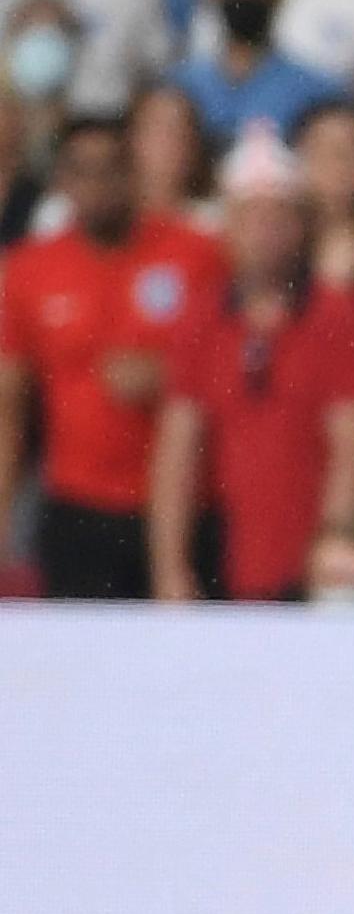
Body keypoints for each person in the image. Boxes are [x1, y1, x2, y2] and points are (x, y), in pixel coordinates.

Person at [147, 131, 354, 601]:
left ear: (302, 225)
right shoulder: (202, 319)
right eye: (250, 217)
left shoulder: (341, 318)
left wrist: (331, 568)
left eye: (278, 217)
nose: (264, 232)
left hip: (309, 561)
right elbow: (178, 450)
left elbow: (352, 449)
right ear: (229, 228)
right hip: (228, 557)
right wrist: (171, 568)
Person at [0, 108, 222, 599]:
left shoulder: (197, 254)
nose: (97, 183)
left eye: (111, 167)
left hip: (182, 505)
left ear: (134, 171)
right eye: (82, 169)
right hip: (78, 506)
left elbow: (231, 367)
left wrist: (167, 374)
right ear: (61, 180)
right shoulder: (28, 271)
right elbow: (9, 407)